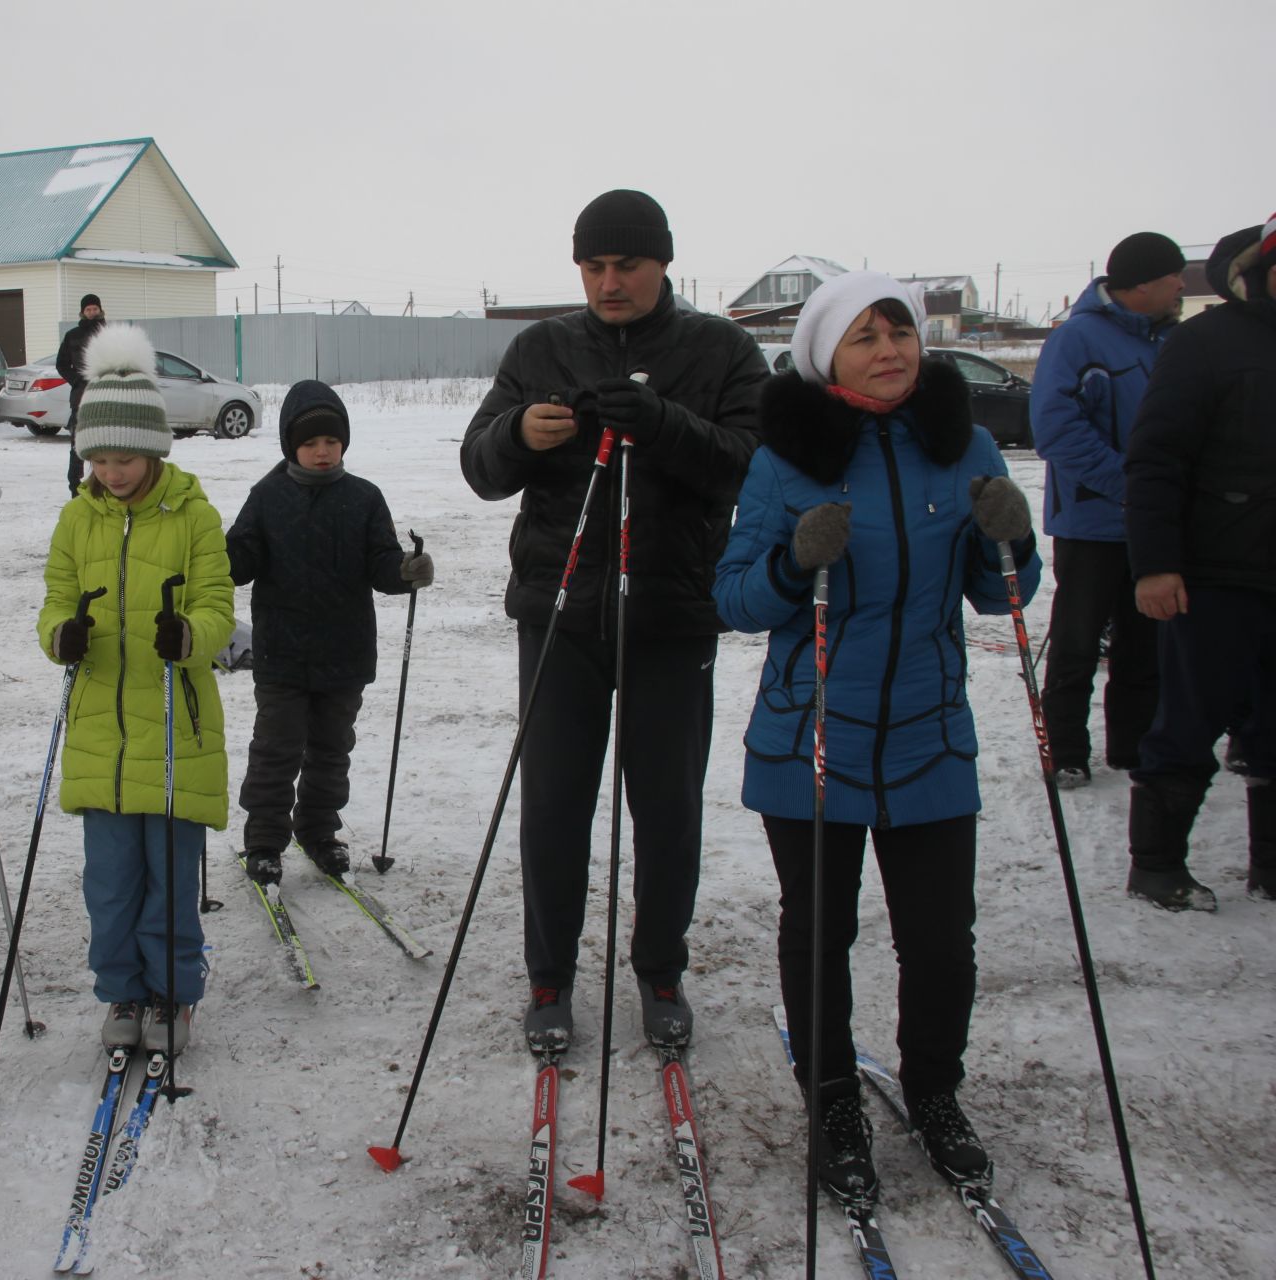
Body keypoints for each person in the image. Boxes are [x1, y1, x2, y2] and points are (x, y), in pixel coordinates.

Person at [714, 271, 1042, 1204]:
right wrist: (790, 561)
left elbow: (1004, 592)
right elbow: (733, 597)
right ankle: (831, 1103)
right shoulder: (787, 461)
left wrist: (1010, 541)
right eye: (864, 336)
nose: (890, 349)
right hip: (810, 739)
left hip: (929, 737)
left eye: (898, 330)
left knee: (941, 942)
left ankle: (935, 1094)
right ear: (825, 355)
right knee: (819, 933)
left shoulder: (965, 443)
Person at [461, 189, 766, 1054]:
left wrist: (666, 426)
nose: (608, 282)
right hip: (560, 618)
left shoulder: (722, 349)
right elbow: (480, 468)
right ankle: (549, 978)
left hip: (672, 618)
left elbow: (756, 467)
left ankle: (661, 970)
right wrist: (522, 431)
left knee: (666, 810)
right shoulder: (542, 346)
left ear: (663, 261)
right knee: (554, 807)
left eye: (625, 264)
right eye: (592, 267)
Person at [37, 324, 235, 1052]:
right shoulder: (74, 520)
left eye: (125, 458)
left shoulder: (195, 516)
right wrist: (64, 636)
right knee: (111, 884)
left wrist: (191, 636)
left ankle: (174, 995)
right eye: (99, 459)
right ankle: (121, 992)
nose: (113, 473)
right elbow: (55, 603)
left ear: (154, 450)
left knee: (171, 883)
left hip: (176, 729)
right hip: (101, 734)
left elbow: (218, 606)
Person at [1123, 214, 1276, 911]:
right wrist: (1155, 564)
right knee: (1189, 720)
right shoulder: (1204, 342)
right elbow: (1155, 458)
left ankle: (1271, 866)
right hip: (1215, 575)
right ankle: (1157, 865)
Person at [224, 380, 434, 883]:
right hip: (282, 655)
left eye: (332, 442)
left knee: (331, 749)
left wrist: (406, 570)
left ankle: (318, 832)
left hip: (345, 653)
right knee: (276, 749)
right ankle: (264, 842)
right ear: (291, 446)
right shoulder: (267, 496)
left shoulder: (363, 498)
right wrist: (216, 554)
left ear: (344, 444)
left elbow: (382, 563)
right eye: (311, 443)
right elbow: (241, 561)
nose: (323, 452)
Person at [1032, 232, 1185, 789]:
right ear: (1141, 282)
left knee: (1147, 641)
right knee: (1076, 641)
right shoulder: (1076, 339)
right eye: (1174, 277)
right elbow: (1055, 430)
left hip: (1155, 526)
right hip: (1092, 523)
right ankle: (1066, 751)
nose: (1181, 287)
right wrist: (1130, 486)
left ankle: (1135, 747)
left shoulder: (1172, 341)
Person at [56, 294, 106, 498]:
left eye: (95, 309)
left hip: (104, 395)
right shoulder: (72, 335)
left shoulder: (109, 334)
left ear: (100, 310)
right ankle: (74, 487)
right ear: (82, 312)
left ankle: (102, 482)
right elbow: (61, 364)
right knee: (78, 442)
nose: (92, 312)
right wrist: (76, 379)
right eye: (88, 310)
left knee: (103, 441)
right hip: (81, 396)